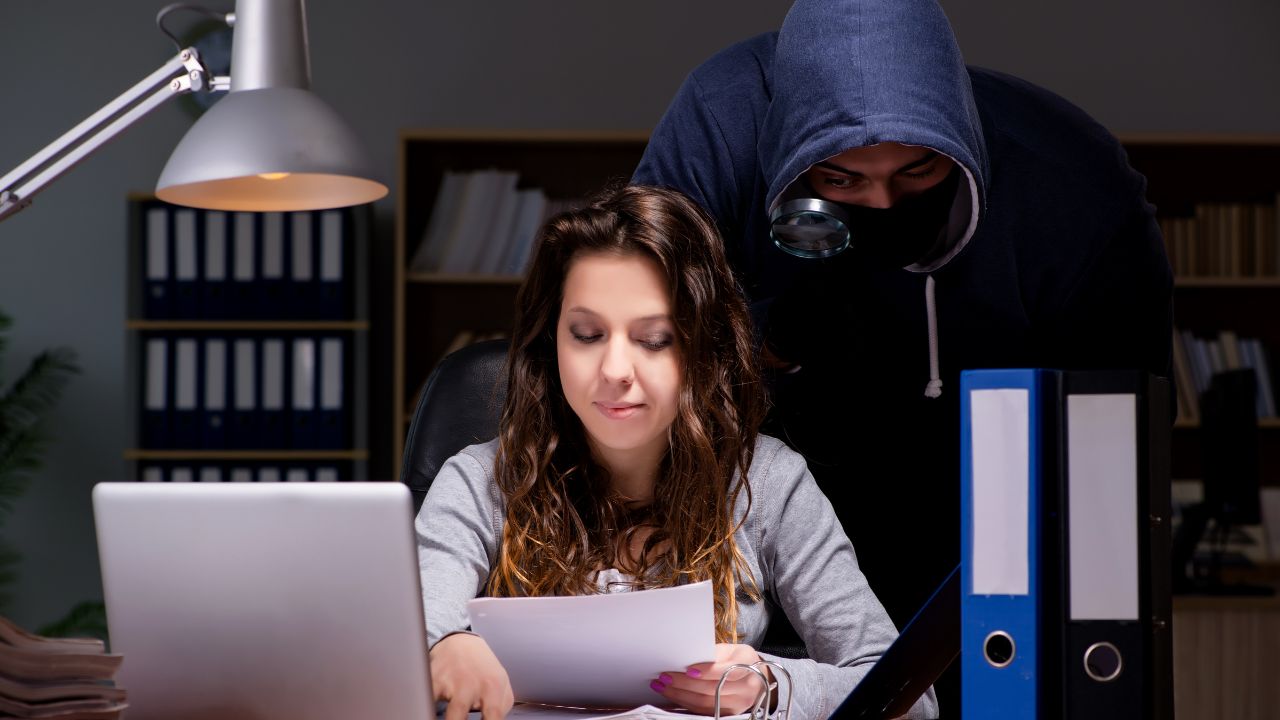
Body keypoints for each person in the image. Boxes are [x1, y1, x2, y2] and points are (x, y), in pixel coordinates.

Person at [632, 0, 1174, 642]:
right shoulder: (722, 122)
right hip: (774, 483)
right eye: (842, 178)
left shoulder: (1071, 180)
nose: (883, 201)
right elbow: (633, 333)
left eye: (918, 170)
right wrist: (761, 335)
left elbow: (1119, 434)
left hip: (993, 496)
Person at [414, 184, 938, 720]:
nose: (615, 371)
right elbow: (403, 626)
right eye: (587, 333)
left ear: (700, 349)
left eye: (655, 339)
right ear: (552, 344)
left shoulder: (769, 480)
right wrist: (442, 643)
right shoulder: (480, 481)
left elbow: (910, 700)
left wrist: (771, 687)